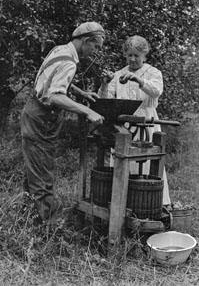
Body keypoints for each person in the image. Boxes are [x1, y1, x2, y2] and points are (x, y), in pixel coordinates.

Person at [21, 22, 105, 222]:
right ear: (86, 41)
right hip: (42, 116)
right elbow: (54, 96)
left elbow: (53, 77)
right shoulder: (70, 62)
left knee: (35, 167)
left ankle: (28, 215)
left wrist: (80, 92)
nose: (94, 52)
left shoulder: (60, 50)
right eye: (95, 47)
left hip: (32, 111)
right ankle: (46, 227)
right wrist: (87, 111)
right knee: (42, 171)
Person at [97, 35, 170, 206]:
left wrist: (138, 79)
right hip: (124, 125)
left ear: (144, 55)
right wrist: (105, 84)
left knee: (147, 162)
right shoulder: (118, 74)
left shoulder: (152, 72)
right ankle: (124, 202)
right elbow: (105, 100)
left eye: (136, 55)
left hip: (147, 122)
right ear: (125, 54)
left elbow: (156, 91)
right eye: (129, 55)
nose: (132, 59)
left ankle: (150, 203)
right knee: (123, 161)